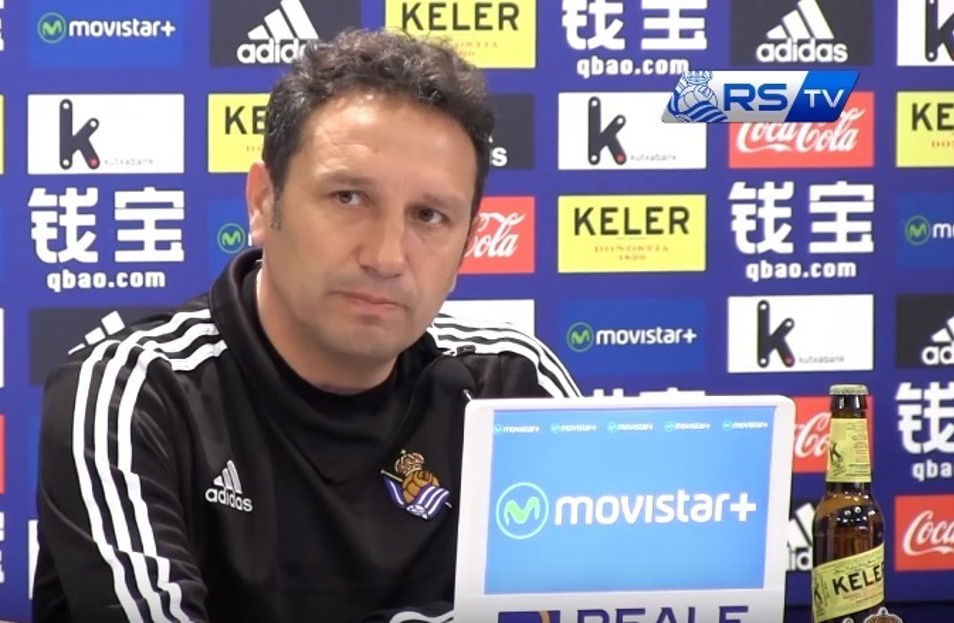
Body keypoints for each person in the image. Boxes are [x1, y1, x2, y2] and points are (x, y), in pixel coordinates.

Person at [33, 27, 582, 623]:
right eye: (349, 198)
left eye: (429, 216)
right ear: (264, 202)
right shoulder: (133, 396)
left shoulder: (514, 387)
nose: (386, 257)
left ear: (467, 246)